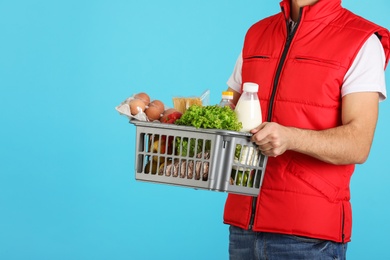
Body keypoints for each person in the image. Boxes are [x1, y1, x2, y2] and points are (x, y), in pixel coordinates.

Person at [223, 0, 390, 259]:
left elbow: (359, 143)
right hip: (244, 227)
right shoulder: (257, 34)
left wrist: (291, 137)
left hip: (309, 237)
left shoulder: (361, 40)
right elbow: (227, 114)